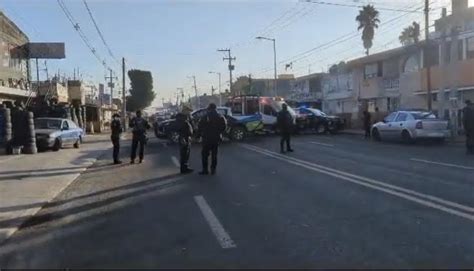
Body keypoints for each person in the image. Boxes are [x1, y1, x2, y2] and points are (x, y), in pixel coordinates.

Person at [198, 103, 227, 175]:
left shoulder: (205, 116)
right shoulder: (220, 116)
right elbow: (224, 126)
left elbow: (199, 126)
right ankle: (213, 170)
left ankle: (205, 170)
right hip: (216, 138)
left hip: (206, 138)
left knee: (205, 154)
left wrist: (201, 133)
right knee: (214, 154)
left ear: (209, 108)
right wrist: (219, 132)